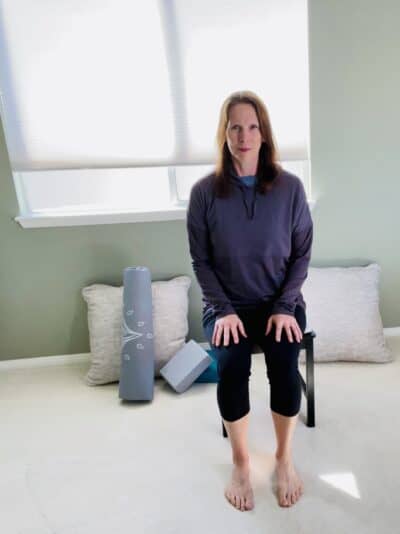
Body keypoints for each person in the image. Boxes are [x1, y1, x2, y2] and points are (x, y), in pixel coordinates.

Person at [186, 90, 313, 511]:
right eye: (235, 126)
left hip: (281, 301)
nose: (244, 135)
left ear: (265, 134)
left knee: (283, 358)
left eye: (253, 126)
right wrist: (222, 311)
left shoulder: (291, 188)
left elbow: (302, 254)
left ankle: (284, 458)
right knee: (233, 363)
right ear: (224, 134)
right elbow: (200, 261)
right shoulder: (204, 193)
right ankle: (241, 462)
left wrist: (283, 306)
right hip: (226, 306)